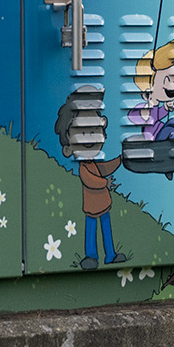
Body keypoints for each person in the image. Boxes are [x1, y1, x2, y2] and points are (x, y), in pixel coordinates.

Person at [56, 87, 127, 269]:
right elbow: (90, 180)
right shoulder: (83, 167)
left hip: (103, 204)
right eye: (82, 131)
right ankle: (91, 256)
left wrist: (118, 161)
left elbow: (103, 168)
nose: (90, 137)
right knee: (91, 230)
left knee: (106, 229)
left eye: (94, 129)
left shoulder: (93, 163)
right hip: (91, 206)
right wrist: (106, 183)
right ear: (68, 147)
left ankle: (110, 254)